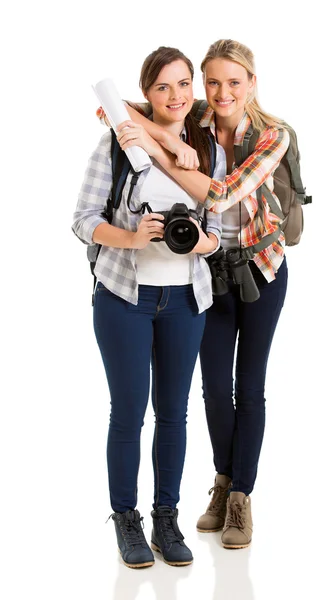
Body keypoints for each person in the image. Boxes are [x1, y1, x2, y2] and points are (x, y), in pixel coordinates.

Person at [99, 39, 291, 550]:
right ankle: (221, 484)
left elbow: (222, 194)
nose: (221, 91)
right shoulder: (199, 119)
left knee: (248, 388)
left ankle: (241, 500)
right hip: (207, 274)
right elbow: (126, 107)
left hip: (259, 268)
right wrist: (149, 125)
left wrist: (159, 145)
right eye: (212, 82)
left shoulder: (274, 136)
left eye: (234, 81)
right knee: (209, 391)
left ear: (252, 82)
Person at [73, 46, 225, 568]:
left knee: (175, 415)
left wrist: (202, 242)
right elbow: (83, 220)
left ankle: (166, 516)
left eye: (184, 84)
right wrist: (133, 238)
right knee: (128, 413)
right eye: (163, 87)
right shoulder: (117, 144)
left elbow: (218, 233)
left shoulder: (206, 147)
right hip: (124, 299)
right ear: (148, 93)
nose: (177, 96)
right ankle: (126, 520)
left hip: (186, 301)